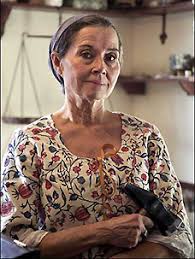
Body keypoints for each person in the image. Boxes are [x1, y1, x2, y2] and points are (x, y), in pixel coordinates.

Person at [1, 14, 193, 258]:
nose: (101, 67)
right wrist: (104, 231)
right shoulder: (30, 143)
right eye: (87, 54)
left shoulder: (145, 137)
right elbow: (13, 245)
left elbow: (179, 236)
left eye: (110, 57)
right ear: (58, 62)